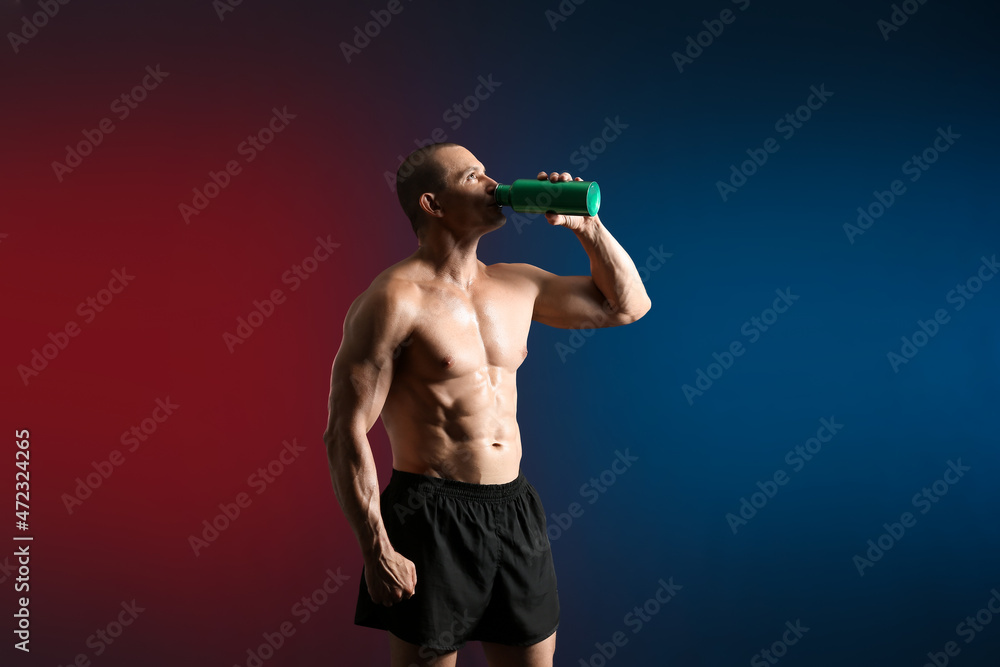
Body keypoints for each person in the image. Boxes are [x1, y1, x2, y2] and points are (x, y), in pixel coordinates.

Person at [323, 142, 651, 667]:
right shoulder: (394, 299)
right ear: (432, 204)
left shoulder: (517, 283)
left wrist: (586, 228)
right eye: (474, 176)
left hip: (513, 508)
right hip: (429, 515)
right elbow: (344, 432)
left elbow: (628, 306)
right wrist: (375, 547)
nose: (494, 185)